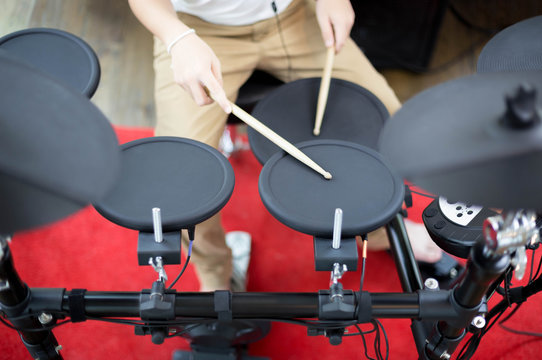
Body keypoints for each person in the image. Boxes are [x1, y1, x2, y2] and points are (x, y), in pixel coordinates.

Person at [127, 0, 442, 291]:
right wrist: (176, 37)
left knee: (388, 123)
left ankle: (380, 233)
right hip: (197, 32)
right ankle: (215, 273)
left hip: (296, 14)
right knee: (178, 185)